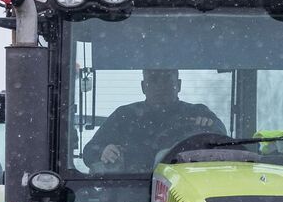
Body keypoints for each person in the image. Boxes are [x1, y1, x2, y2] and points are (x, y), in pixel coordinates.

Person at [80, 69, 226, 171]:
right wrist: (103, 151)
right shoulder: (124, 116)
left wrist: (209, 127)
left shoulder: (198, 113)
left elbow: (223, 140)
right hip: (132, 190)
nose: (161, 86)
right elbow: (88, 151)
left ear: (179, 85)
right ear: (143, 86)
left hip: (185, 189)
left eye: (167, 79)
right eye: (154, 79)